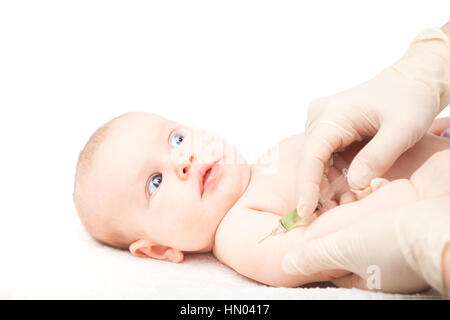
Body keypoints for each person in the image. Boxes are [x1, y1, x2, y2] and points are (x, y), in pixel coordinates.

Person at [73, 111, 449, 288]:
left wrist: (409, 130)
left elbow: (351, 142)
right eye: (155, 182)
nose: (183, 161)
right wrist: (416, 192)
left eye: (176, 138)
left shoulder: (265, 160)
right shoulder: (236, 231)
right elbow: (314, 248)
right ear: (158, 249)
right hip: (428, 211)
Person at [285, 23, 450, 296]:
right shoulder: (234, 229)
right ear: (184, 251)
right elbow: (301, 252)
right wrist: (433, 60)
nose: (187, 162)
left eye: (184, 137)